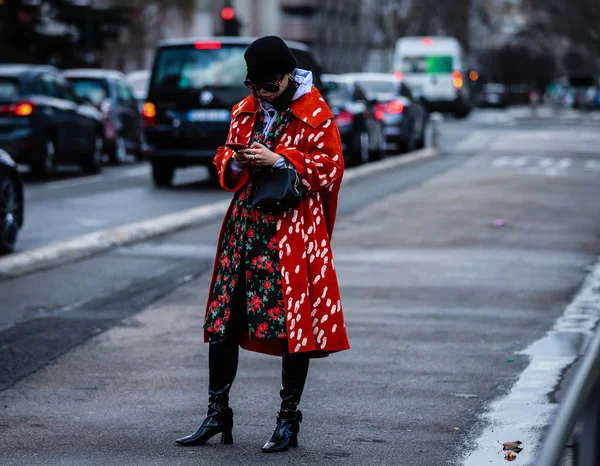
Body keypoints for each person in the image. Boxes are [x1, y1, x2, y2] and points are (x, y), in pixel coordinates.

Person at [175, 36, 350, 453]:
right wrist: (236, 160)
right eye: (255, 86)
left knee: (295, 325)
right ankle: (218, 415)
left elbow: (331, 168)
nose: (261, 93)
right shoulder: (245, 109)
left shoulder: (316, 113)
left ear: (289, 75)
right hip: (245, 226)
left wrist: (281, 160)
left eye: (269, 86)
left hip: (292, 231)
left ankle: (288, 421)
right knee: (224, 319)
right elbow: (225, 162)